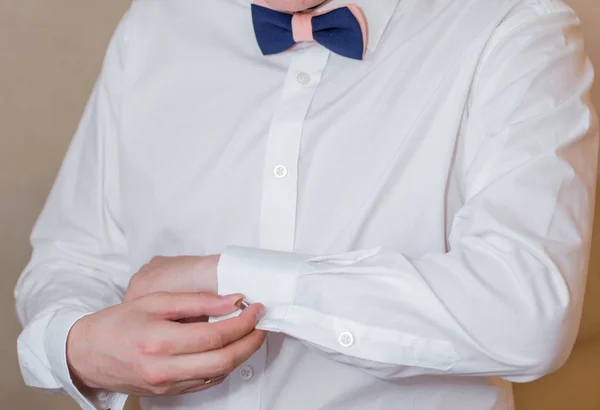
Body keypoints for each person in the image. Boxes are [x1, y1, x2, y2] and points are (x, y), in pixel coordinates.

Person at [14, 0, 599, 409]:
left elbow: (528, 309)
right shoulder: (155, 25)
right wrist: (75, 345)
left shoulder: (515, 26)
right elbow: (74, 257)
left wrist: (234, 278)